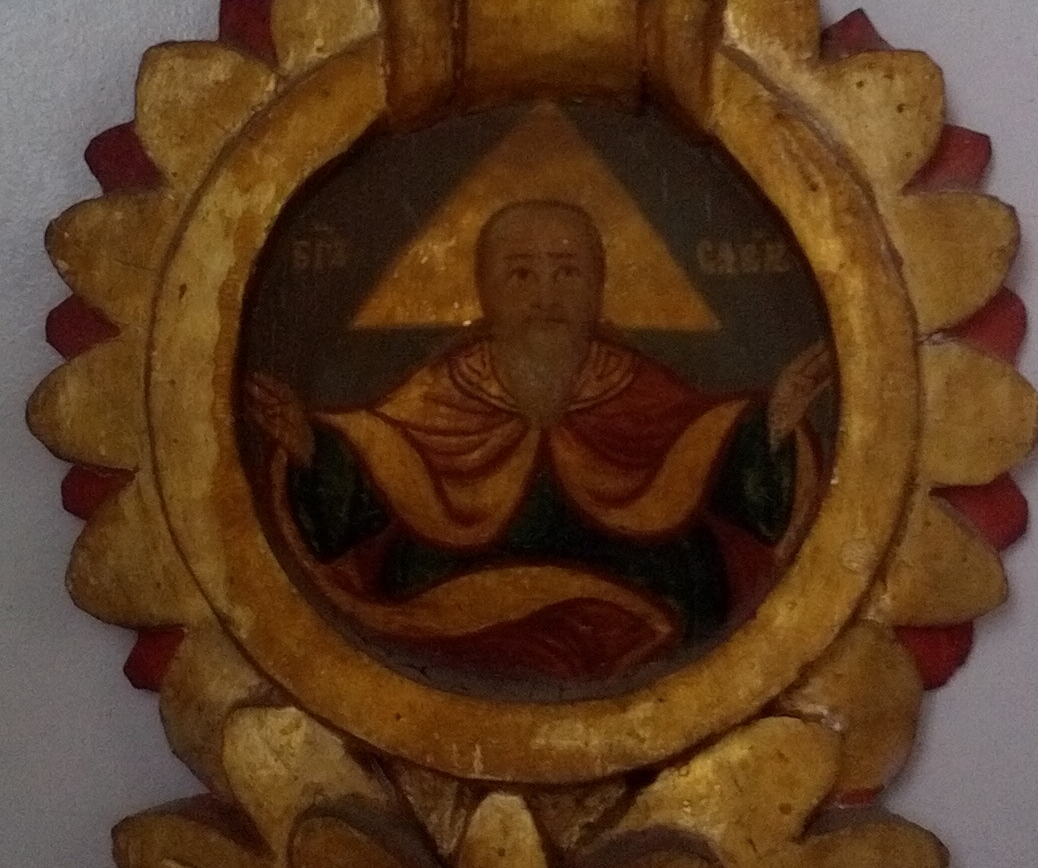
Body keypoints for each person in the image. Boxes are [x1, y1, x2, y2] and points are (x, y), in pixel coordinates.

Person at [246, 200, 831, 687]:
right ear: (486, 290)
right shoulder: (437, 398)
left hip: (655, 647)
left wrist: (772, 429)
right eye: (521, 274)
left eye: (567, 273)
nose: (545, 296)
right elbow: (365, 478)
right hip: (456, 642)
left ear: (598, 287)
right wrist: (311, 454)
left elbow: (721, 459)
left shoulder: (641, 389)